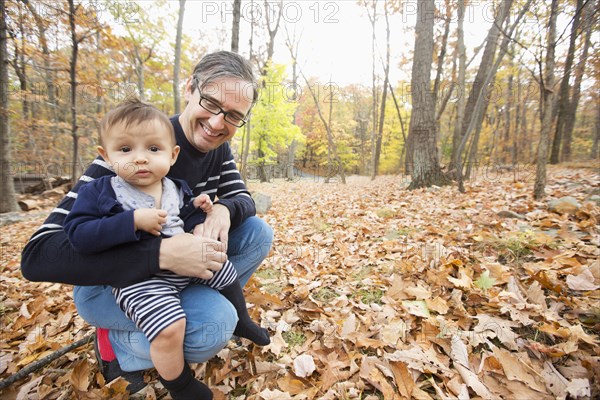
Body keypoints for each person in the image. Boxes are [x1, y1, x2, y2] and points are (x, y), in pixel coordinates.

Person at [20, 51, 273, 398]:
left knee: (258, 233)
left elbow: (243, 197)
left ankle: (190, 310)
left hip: (177, 272)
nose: (217, 123)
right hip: (110, 284)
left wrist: (224, 210)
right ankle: (119, 346)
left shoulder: (218, 150)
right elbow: (38, 254)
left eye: (232, 116)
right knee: (214, 326)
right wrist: (161, 254)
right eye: (211, 103)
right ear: (189, 88)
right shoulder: (137, 143)